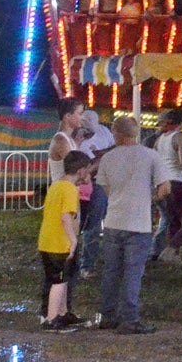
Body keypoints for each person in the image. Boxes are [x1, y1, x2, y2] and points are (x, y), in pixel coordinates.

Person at [91, 114, 169, 333]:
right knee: (133, 272)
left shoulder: (108, 158)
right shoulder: (150, 156)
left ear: (116, 133)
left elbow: (105, 188)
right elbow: (165, 187)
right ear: (136, 133)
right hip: (139, 222)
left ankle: (107, 315)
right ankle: (130, 318)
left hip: (114, 220)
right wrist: (150, 198)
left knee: (111, 271)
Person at [39, 151, 85, 330]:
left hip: (46, 240)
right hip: (59, 243)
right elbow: (66, 217)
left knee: (63, 278)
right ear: (81, 171)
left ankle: (62, 312)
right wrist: (73, 240)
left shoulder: (56, 185)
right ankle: (52, 319)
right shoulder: (70, 189)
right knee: (58, 281)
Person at [151, 108, 182, 264]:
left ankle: (173, 255)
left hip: (164, 181)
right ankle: (170, 249)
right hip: (179, 181)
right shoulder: (180, 137)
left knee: (173, 220)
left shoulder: (160, 139)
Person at [74, 108, 111, 276]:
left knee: (94, 224)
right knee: (75, 223)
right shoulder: (74, 136)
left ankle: (87, 265)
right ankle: (70, 262)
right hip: (78, 184)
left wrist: (101, 155)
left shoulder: (104, 132)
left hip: (98, 184)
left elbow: (113, 148)